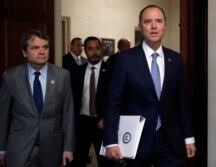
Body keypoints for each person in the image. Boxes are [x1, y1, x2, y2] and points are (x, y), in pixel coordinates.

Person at [103, 4, 196, 167]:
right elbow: (113, 103)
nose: (154, 26)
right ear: (141, 26)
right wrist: (110, 141)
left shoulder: (175, 59)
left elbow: (182, 103)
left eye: (158, 21)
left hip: (169, 141)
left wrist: (189, 138)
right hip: (136, 141)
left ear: (165, 25)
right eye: (148, 22)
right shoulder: (125, 60)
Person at [0, 29, 75, 167]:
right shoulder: (11, 77)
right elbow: (2, 116)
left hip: (52, 150)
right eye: (35, 48)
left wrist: (68, 148)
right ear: (24, 52)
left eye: (45, 47)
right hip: (19, 149)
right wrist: (1, 148)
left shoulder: (62, 76)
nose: (42, 52)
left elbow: (68, 115)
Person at [72, 36, 114, 167]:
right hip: (81, 123)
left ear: (101, 50)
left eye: (97, 48)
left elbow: (116, 99)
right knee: (78, 160)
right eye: (90, 49)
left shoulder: (112, 71)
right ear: (85, 51)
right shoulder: (77, 71)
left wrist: (107, 117)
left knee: (106, 162)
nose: (94, 52)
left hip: (103, 123)